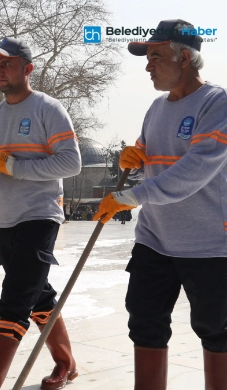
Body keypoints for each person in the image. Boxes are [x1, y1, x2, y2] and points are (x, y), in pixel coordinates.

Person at [93, 19, 227, 389]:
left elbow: (196, 168)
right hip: (155, 237)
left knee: (217, 329)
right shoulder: (155, 108)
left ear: (185, 57)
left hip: (209, 243)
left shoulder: (217, 104)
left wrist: (133, 196)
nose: (148, 65)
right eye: (147, 57)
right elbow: (147, 157)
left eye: (156, 56)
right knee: (145, 322)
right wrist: (133, 158)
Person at [0, 37, 82, 390]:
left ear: (27, 69)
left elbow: (71, 162)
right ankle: (66, 363)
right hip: (2, 217)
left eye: (7, 63)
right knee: (37, 291)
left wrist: (15, 167)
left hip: (39, 214)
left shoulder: (48, 108)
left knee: (15, 298)